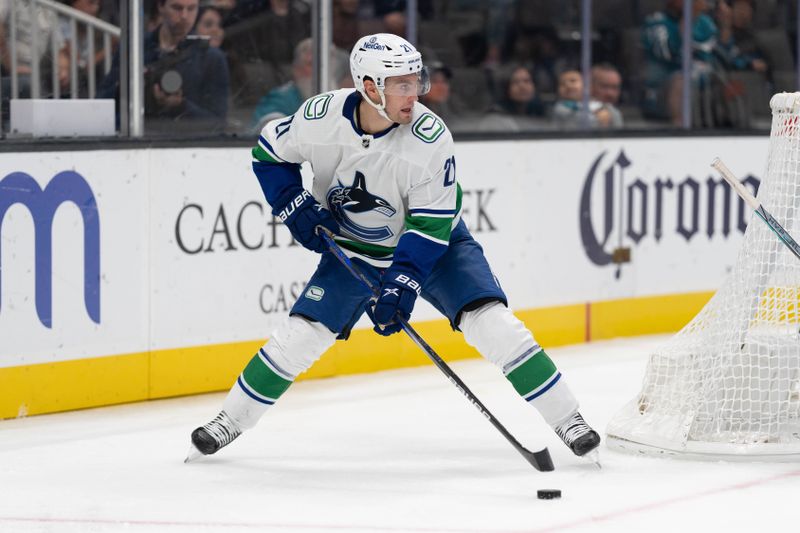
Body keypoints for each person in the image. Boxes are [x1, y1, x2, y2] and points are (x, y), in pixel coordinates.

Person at [188, 33, 601, 463]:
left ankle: (568, 419)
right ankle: (229, 421)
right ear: (369, 87)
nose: (415, 93)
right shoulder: (320, 117)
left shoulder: (429, 136)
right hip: (354, 250)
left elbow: (428, 226)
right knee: (299, 336)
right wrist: (292, 202)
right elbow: (268, 153)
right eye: (401, 84)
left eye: (415, 80)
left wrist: (401, 285)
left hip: (436, 244)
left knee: (491, 323)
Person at [98, 0, 230, 134]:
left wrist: (180, 106)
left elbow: (218, 122)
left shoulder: (211, 58)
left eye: (191, 9)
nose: (184, 16)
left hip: (187, 143)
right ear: (161, 6)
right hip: (137, 136)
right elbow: (101, 103)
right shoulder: (134, 47)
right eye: (177, 8)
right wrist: (127, 86)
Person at [250, 37, 312, 130]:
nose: (319, 71)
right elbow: (267, 129)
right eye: (310, 64)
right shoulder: (280, 99)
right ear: (296, 69)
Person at [552, 69, 621, 129]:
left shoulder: (600, 105)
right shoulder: (561, 108)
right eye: (562, 84)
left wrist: (608, 114)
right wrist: (598, 119)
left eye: (573, 81)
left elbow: (616, 119)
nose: (568, 85)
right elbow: (580, 122)